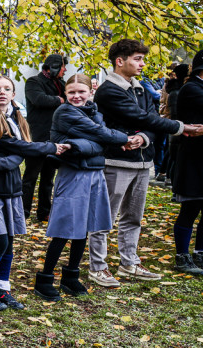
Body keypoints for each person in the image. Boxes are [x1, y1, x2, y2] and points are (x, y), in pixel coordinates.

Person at [87, 39, 201, 288]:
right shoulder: (109, 90)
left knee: (134, 217)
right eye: (137, 59)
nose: (142, 64)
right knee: (105, 217)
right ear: (120, 61)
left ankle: (129, 262)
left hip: (141, 163)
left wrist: (143, 138)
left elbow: (152, 120)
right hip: (116, 161)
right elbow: (139, 116)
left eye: (142, 59)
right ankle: (98, 267)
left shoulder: (139, 88)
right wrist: (184, 127)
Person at [0, 75, 67, 311]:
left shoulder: (17, 118)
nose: (2, 92)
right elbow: (18, 147)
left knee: (8, 242)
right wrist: (50, 147)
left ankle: (2, 290)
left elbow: (20, 152)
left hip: (10, 187)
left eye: (7, 89)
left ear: (12, 94)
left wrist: (2, 163)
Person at [34, 74, 129, 300]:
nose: (76, 96)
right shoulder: (65, 112)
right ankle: (45, 279)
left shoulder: (94, 112)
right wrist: (121, 139)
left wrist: (78, 144)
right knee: (64, 229)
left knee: (84, 228)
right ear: (65, 94)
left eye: (81, 92)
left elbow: (102, 140)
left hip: (94, 174)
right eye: (71, 92)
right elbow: (103, 136)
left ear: (90, 92)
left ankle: (70, 277)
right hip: (73, 174)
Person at [169, 50, 203, 275]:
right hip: (194, 157)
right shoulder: (192, 88)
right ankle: (182, 255)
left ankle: (200, 253)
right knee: (190, 207)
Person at [22, 54, 67, 221]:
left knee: (48, 178)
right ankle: (23, 212)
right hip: (37, 138)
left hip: (54, 137)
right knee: (30, 177)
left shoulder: (60, 83)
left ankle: (44, 212)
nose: (65, 70)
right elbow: (39, 100)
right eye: (63, 67)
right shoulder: (34, 82)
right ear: (54, 67)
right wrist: (60, 99)